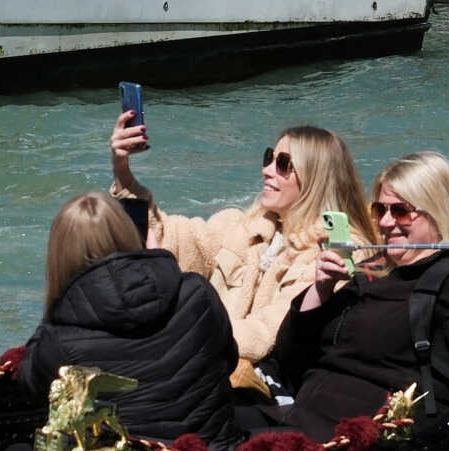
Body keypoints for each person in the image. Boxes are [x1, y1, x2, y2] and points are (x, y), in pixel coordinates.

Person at [258, 151, 449, 441]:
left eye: (400, 211)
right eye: (379, 210)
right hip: (300, 417)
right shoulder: (371, 272)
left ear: (438, 211)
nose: (384, 222)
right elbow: (289, 359)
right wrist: (320, 289)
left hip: (363, 438)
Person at [107, 106, 371, 383]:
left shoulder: (334, 251)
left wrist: (181, 339)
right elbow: (167, 235)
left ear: (315, 180)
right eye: (269, 157)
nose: (267, 170)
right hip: (208, 360)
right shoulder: (241, 225)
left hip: (266, 385)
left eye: (283, 164)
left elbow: (269, 330)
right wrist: (122, 169)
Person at [14, 192, 238, 447]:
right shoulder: (197, 292)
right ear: (133, 234)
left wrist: (52, 309)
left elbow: (31, 387)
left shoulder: (59, 338)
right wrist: (160, 264)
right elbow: (228, 361)